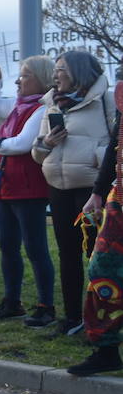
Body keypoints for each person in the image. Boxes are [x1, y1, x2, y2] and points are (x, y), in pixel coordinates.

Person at [31, 51, 113, 334]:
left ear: (78, 72)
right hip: (58, 187)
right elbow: (37, 154)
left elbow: (118, 144)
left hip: (92, 190)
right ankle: (72, 318)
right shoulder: (51, 103)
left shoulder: (106, 99)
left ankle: (100, 320)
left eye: (61, 70)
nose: (55, 76)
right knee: (67, 254)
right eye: (54, 70)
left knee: (96, 255)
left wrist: (96, 155)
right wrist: (47, 143)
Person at [0, 58, 54, 324]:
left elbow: (22, 144)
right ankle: (12, 302)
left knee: (35, 248)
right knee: (7, 246)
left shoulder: (41, 109)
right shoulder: (17, 105)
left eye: (24, 76)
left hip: (29, 188)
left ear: (41, 79)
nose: (18, 81)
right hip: (6, 187)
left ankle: (46, 306)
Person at [72, 94, 123, 375]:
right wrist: (99, 192)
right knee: (103, 269)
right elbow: (116, 144)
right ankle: (106, 350)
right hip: (120, 198)